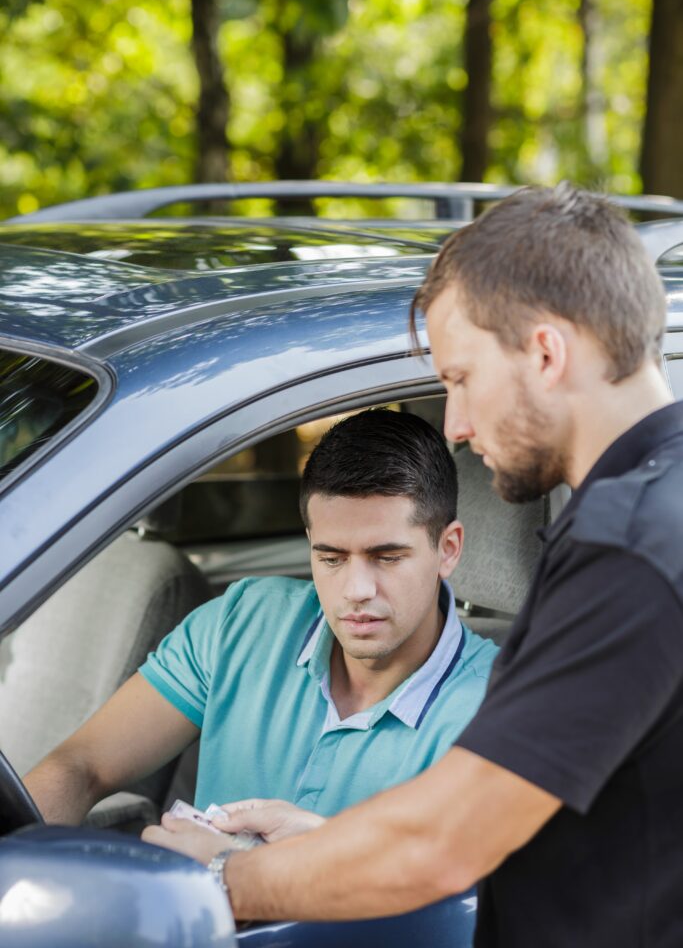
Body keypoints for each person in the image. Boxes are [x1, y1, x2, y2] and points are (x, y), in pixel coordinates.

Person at [144, 183, 683, 948]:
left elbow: (440, 842)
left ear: (544, 351)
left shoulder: (627, 546)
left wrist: (216, 885)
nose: (456, 427)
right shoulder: (658, 510)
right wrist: (321, 842)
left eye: (460, 379)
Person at [25, 408, 497, 833]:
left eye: (387, 557)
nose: (356, 590)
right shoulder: (242, 620)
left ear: (447, 550)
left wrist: (239, 872)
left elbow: (443, 906)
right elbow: (81, 765)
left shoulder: (500, 704)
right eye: (330, 558)